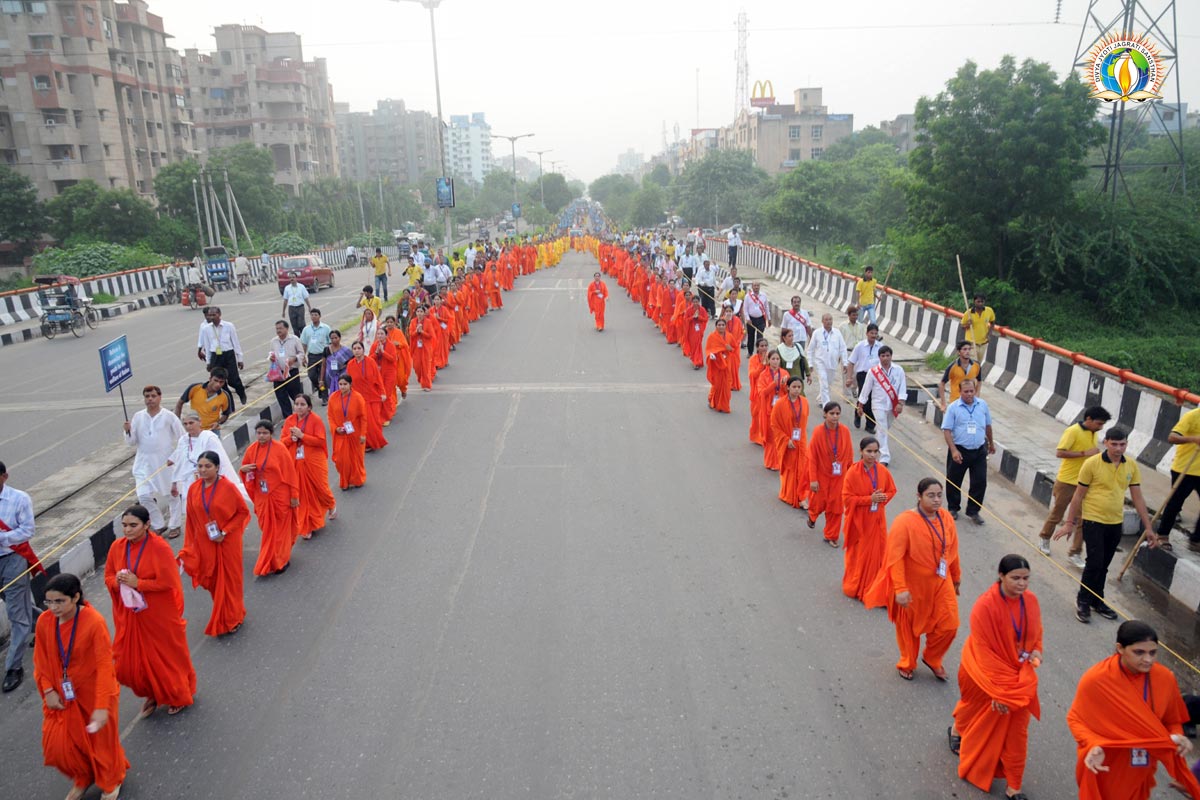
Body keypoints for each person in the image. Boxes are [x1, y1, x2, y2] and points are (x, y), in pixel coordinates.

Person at [1067, 621, 1200, 800]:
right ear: (1120, 648)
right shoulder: (1096, 679)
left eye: (1153, 652)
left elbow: (1172, 721)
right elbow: (1075, 719)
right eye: (1139, 652)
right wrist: (1093, 744)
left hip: (1142, 765)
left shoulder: (1165, 679)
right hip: (1107, 762)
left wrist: (1178, 737)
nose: (1148, 659)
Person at [949, 555, 1042, 800]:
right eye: (1016, 578)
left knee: (1017, 733)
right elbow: (984, 652)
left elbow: (1036, 631)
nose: (1022, 584)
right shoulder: (985, 605)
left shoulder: (1031, 601)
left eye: (1026, 578)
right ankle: (957, 730)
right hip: (981, 672)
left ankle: (1014, 786)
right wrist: (999, 692)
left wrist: (1036, 650)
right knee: (971, 708)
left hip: (1016, 679)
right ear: (1001, 576)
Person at [34, 573, 129, 800]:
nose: (53, 607)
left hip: (94, 693)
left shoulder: (94, 622)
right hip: (62, 695)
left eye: (59, 601)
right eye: (49, 602)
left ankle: (111, 779)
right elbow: (41, 660)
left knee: (102, 742)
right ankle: (83, 776)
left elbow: (105, 666)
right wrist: (48, 690)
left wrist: (101, 705)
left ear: (75, 597)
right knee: (64, 746)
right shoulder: (44, 622)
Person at [1055, 427, 1158, 624]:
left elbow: (1137, 497)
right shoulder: (1092, 464)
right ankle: (1083, 601)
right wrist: (1069, 523)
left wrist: (1148, 528)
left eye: (1122, 444)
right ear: (1106, 443)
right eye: (1114, 444)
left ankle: (1097, 600)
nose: (1118, 448)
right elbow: (1078, 496)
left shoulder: (1131, 466)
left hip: (1115, 522)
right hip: (1093, 520)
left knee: (1104, 565)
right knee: (1094, 562)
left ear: (1127, 444)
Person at [864, 477, 961, 682]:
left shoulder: (946, 518)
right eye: (931, 495)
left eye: (939, 495)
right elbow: (895, 559)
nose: (936, 500)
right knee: (909, 629)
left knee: (950, 624)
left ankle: (932, 658)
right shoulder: (904, 522)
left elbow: (952, 550)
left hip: (941, 582)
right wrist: (900, 589)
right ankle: (907, 662)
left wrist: (956, 577)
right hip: (912, 586)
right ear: (919, 496)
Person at [104, 505, 196, 717]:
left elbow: (168, 582)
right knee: (127, 666)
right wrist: (118, 581)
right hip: (131, 614)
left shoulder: (159, 548)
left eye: (133, 525)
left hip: (158, 613)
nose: (127, 530)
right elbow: (108, 576)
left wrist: (139, 583)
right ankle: (153, 691)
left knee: (166, 657)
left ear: (147, 525)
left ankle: (177, 695)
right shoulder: (117, 547)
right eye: (124, 525)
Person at [178, 449, 251, 637]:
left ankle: (233, 617)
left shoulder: (227, 488)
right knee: (213, 580)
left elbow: (243, 512)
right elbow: (191, 520)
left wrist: (224, 531)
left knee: (229, 581)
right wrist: (190, 546)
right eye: (200, 466)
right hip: (206, 542)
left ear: (217, 468)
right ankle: (226, 611)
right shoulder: (194, 489)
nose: (203, 470)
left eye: (208, 466)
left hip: (227, 542)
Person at [1037, 406, 1111, 564]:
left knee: (1083, 520)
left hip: (1085, 484)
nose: (1101, 427)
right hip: (1066, 482)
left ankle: (1075, 552)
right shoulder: (1073, 431)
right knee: (1057, 514)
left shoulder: (1094, 433)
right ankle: (1044, 538)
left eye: (1102, 424)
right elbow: (1060, 452)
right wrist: (1084, 453)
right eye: (1099, 423)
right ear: (1089, 419)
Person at [122, 385, 185, 537]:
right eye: (147, 396)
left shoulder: (168, 416)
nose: (150, 399)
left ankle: (175, 525)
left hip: (164, 462)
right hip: (143, 463)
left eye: (153, 396)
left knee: (172, 495)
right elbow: (131, 442)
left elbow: (182, 439)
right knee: (144, 496)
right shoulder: (138, 416)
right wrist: (127, 430)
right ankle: (158, 524)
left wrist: (175, 457)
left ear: (159, 397)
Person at [240, 421, 300, 577]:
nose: (261, 436)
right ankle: (275, 557)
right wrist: (243, 470)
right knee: (267, 529)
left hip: (280, 495)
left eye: (265, 433)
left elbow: (290, 474)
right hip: (262, 496)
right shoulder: (251, 450)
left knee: (279, 531)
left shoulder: (280, 449)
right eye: (259, 433)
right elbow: (245, 469)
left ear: (271, 434)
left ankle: (280, 561)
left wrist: (294, 495)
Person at [840, 437, 896, 601]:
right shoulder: (852, 473)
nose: (872, 455)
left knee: (879, 556)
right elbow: (847, 499)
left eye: (875, 452)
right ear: (861, 451)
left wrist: (881, 499)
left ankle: (874, 589)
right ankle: (859, 586)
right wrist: (869, 499)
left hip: (877, 521)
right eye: (869, 451)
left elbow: (892, 490)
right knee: (860, 556)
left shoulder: (883, 471)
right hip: (860, 522)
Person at [0, 461, 36, 693]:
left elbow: (27, 530)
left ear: (5, 476)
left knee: (16, 614)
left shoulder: (19, 499)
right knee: (21, 606)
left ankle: (13, 667)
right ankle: (46, 624)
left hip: (13, 559)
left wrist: (2, 538)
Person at [281, 394, 337, 538]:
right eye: (297, 404)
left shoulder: (315, 420)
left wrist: (302, 436)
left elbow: (320, 441)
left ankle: (330, 504)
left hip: (314, 461)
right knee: (301, 494)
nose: (299, 407)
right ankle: (306, 526)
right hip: (296, 461)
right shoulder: (289, 421)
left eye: (302, 404)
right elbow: (282, 442)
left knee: (321, 489)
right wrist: (291, 438)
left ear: (309, 407)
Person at [942, 379, 995, 525]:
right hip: (960, 450)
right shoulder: (953, 408)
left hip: (979, 450)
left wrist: (991, 443)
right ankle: (953, 508)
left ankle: (973, 511)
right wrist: (953, 450)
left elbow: (988, 426)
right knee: (954, 480)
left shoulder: (982, 405)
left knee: (980, 481)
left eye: (972, 391)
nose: (969, 394)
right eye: (966, 391)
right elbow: (947, 430)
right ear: (960, 392)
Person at [807, 402, 854, 546]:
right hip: (822, 474)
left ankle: (831, 536)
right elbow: (812, 457)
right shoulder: (818, 431)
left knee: (836, 506)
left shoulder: (845, 431)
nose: (835, 416)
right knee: (818, 502)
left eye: (837, 414)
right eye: (832, 413)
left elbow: (849, 454)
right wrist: (813, 479)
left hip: (840, 477)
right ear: (825, 414)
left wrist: (850, 476)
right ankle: (813, 515)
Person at [857, 345, 905, 466]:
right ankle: (884, 457)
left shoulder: (899, 370)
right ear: (879, 357)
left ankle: (875, 447)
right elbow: (866, 389)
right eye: (883, 356)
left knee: (884, 429)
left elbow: (902, 388)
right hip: (878, 404)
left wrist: (900, 403)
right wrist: (860, 405)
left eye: (887, 355)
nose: (885, 358)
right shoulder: (873, 372)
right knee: (882, 428)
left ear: (891, 356)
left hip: (893, 405)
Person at [1162, 407, 1200, 551]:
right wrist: (1194, 439)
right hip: (1185, 469)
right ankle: (1162, 535)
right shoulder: (1192, 416)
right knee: (1175, 504)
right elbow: (1172, 437)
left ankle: (1196, 538)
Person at [770, 376, 810, 508]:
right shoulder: (780, 404)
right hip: (788, 442)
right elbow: (774, 425)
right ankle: (787, 494)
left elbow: (804, 422)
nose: (797, 390)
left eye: (799, 387)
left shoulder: (805, 402)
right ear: (787, 387)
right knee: (790, 468)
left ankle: (801, 497)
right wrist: (786, 440)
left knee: (802, 469)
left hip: (801, 441)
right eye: (794, 387)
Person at [196, 307, 246, 403]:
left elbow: (235, 343)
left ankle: (241, 393)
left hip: (228, 355)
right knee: (220, 382)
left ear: (219, 314)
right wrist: (208, 362)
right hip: (215, 356)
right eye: (210, 315)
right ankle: (229, 401)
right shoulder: (206, 329)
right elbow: (207, 346)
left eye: (214, 315)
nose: (211, 317)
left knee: (233, 380)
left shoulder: (229, 326)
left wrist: (240, 359)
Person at [327, 375, 368, 490]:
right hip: (340, 434)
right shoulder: (333, 398)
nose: (342, 387)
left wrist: (363, 434)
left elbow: (363, 417)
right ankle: (345, 480)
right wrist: (336, 428)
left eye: (345, 384)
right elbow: (330, 416)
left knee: (355, 459)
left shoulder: (357, 397)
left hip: (355, 433)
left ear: (350, 385)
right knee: (341, 460)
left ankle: (357, 479)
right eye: (340, 384)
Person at [757, 350, 789, 471]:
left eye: (777, 359)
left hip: (781, 409)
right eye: (773, 359)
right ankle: (771, 461)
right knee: (771, 437)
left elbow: (789, 392)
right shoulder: (763, 375)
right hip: (768, 410)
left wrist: (783, 385)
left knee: (780, 435)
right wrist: (773, 384)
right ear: (769, 360)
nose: (775, 361)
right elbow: (762, 393)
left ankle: (779, 461)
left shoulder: (784, 373)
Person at [174, 367, 234, 431]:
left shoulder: (225, 396)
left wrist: (218, 423)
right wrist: (177, 422)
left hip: (212, 430)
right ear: (210, 379)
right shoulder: (195, 388)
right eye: (215, 380)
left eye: (221, 382)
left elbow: (226, 414)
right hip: (195, 429)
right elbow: (179, 403)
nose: (218, 384)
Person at [807, 313, 848, 406]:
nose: (829, 321)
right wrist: (810, 364)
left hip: (833, 363)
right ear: (822, 321)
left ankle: (820, 399)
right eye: (826, 320)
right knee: (824, 382)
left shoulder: (837, 333)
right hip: (820, 363)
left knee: (828, 384)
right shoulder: (817, 333)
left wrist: (845, 362)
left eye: (830, 319)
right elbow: (810, 349)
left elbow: (843, 348)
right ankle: (827, 405)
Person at [848, 324, 882, 432]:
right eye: (871, 333)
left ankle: (870, 425)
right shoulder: (860, 346)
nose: (873, 335)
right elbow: (851, 362)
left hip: (876, 376)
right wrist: (849, 377)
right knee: (864, 397)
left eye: (875, 333)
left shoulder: (880, 347)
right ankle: (858, 414)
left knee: (872, 400)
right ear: (867, 333)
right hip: (863, 375)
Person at [269, 320, 304, 419]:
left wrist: (295, 359)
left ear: (287, 328)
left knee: (296, 396)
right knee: (281, 397)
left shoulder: (294, 339)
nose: (278, 331)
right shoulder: (273, 341)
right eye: (277, 329)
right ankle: (288, 419)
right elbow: (271, 353)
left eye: (280, 328)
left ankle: (302, 416)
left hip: (292, 372)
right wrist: (271, 358)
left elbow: (302, 354)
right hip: (278, 374)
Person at [300, 308, 333, 403]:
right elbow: (304, 344)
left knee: (322, 377)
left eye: (316, 315)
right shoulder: (306, 329)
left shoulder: (326, 328)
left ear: (320, 316)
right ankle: (320, 389)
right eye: (312, 315)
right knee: (312, 376)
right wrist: (303, 356)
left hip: (323, 356)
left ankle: (324, 397)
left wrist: (331, 355)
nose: (313, 317)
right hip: (312, 356)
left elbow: (331, 342)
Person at [939, 340, 983, 410]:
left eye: (969, 349)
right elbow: (942, 384)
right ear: (959, 352)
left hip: (971, 402)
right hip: (956, 402)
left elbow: (979, 381)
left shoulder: (976, 365)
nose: (967, 351)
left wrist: (977, 394)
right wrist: (943, 403)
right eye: (964, 349)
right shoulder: (952, 367)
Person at [704, 318, 736, 413]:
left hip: (727, 363)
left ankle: (723, 405)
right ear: (716, 326)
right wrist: (711, 355)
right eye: (719, 325)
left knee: (726, 385)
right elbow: (708, 349)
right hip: (716, 363)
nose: (721, 326)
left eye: (723, 325)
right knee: (717, 384)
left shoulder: (730, 336)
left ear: (725, 326)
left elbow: (735, 348)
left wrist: (730, 349)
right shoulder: (712, 337)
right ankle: (713, 400)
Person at [747, 339, 771, 446]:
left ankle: (765, 436)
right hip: (757, 391)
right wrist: (762, 365)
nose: (764, 348)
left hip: (768, 390)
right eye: (762, 346)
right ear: (757, 347)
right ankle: (757, 436)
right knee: (757, 415)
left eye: (766, 345)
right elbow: (753, 375)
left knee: (766, 415)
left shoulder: (771, 357)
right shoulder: (753, 359)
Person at [408, 305, 437, 392]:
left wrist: (422, 332)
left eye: (421, 311)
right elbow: (411, 334)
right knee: (417, 366)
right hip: (416, 347)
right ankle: (421, 379)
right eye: (418, 311)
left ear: (424, 313)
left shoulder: (428, 322)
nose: (419, 313)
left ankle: (427, 385)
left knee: (426, 366)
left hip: (426, 347)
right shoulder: (413, 322)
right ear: (416, 313)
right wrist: (417, 331)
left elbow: (430, 335)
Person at [961, 293, 996, 364]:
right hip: (971, 343)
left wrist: (989, 333)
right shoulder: (968, 313)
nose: (980, 303)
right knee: (973, 363)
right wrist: (968, 324)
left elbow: (992, 322)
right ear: (974, 302)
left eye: (982, 301)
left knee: (978, 363)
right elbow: (962, 326)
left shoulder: (989, 311)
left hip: (983, 343)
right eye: (978, 301)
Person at [323, 328, 354, 397]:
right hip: (331, 376)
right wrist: (321, 380)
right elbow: (323, 365)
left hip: (343, 376)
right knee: (334, 395)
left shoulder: (346, 351)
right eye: (332, 338)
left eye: (336, 338)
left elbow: (351, 363)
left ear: (339, 338)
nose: (334, 340)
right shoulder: (326, 350)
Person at [742, 281, 770, 357]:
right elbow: (745, 309)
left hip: (761, 319)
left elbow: (766, 307)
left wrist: (769, 318)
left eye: (758, 285)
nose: (756, 287)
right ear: (752, 286)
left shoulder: (763, 295)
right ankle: (750, 352)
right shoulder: (748, 296)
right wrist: (748, 319)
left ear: (759, 286)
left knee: (760, 337)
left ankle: (759, 353)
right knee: (751, 336)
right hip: (751, 319)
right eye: (755, 285)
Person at [280, 274, 311, 341]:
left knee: (301, 324)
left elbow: (306, 298)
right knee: (294, 325)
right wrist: (283, 311)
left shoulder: (301, 287)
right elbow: (285, 300)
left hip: (300, 307)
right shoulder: (287, 288)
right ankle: (297, 340)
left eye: (293, 277)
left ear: (296, 278)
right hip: (291, 308)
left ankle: (304, 338)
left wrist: (309, 307)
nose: (292, 279)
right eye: (290, 277)